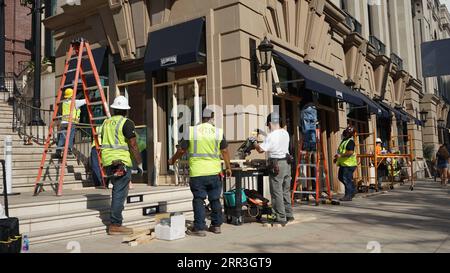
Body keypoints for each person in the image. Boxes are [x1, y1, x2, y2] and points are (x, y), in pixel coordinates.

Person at [168, 108, 232, 237]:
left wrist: (172, 160)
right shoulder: (218, 132)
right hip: (214, 172)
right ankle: (216, 225)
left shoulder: (191, 131)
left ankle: (200, 228)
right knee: (214, 199)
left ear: (201, 118)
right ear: (212, 118)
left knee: (198, 199)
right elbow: (224, 151)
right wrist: (228, 167)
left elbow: (181, 150)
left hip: (198, 173)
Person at [101, 96, 143, 235]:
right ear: (126, 111)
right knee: (119, 193)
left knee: (116, 190)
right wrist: (139, 163)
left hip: (108, 162)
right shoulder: (127, 123)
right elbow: (133, 144)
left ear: (113, 109)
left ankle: (115, 221)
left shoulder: (106, 123)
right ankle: (115, 224)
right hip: (121, 163)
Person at [251, 112, 293, 226]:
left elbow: (260, 150)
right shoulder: (285, 133)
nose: (268, 127)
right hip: (287, 163)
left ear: (270, 123)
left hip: (276, 165)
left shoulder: (271, 135)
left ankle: (280, 217)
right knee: (285, 190)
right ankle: (289, 214)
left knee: (276, 192)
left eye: (268, 125)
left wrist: (254, 142)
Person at [56, 88, 86, 158]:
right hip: (71, 123)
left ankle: (58, 151)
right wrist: (90, 94)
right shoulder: (75, 102)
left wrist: (79, 95)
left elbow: (76, 99)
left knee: (62, 138)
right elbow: (85, 101)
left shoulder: (64, 102)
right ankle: (69, 151)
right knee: (70, 137)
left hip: (63, 122)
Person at [334, 126, 357, 201]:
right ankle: (352, 189)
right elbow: (341, 151)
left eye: (347, 133)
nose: (345, 134)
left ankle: (348, 195)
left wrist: (340, 156)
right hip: (344, 164)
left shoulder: (350, 141)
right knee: (341, 177)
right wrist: (337, 158)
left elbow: (350, 152)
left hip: (349, 165)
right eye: (346, 132)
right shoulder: (344, 141)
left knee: (346, 179)